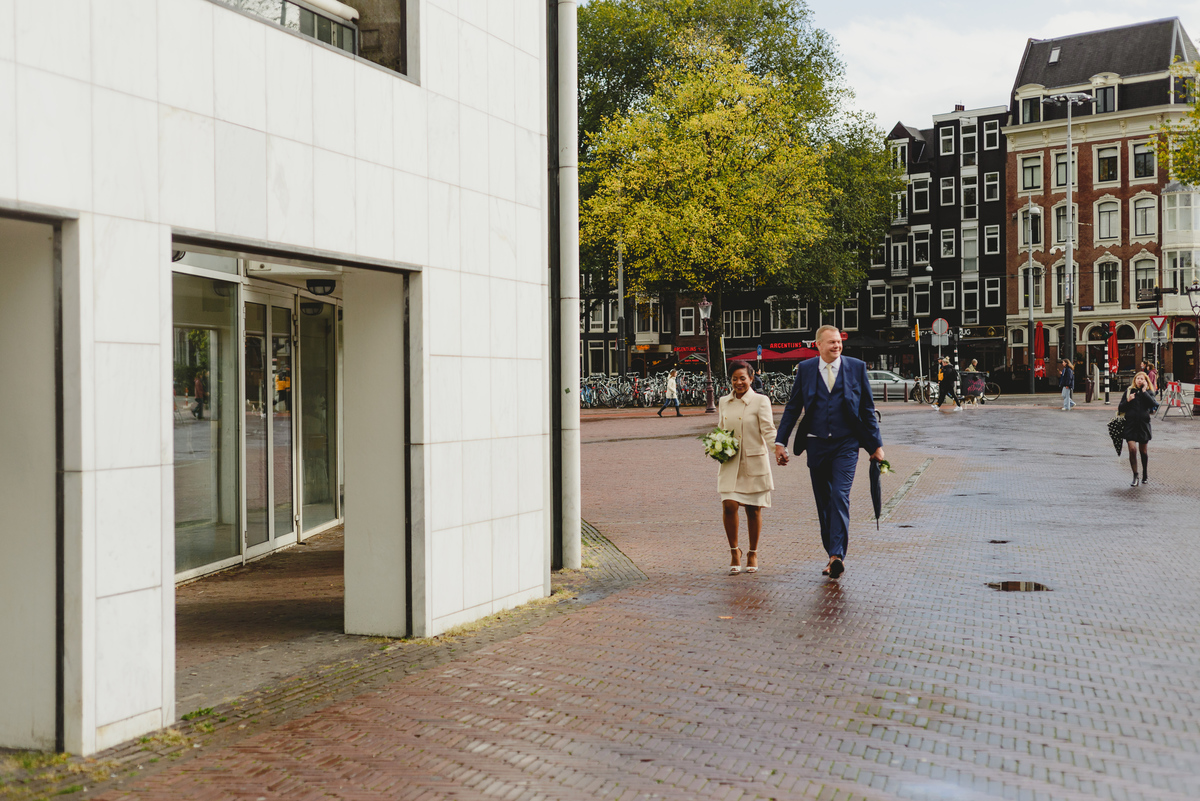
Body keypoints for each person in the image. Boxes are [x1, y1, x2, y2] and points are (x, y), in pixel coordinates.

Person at [774, 326, 884, 579]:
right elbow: (792, 408)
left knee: (839, 495)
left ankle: (837, 555)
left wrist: (876, 445)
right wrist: (781, 442)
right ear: (818, 345)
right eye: (831, 342)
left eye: (839, 342)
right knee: (824, 502)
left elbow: (867, 408)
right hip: (816, 444)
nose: (837, 346)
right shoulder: (806, 369)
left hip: (846, 444)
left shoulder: (856, 367)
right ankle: (831, 553)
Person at [718, 361, 776, 575]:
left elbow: (768, 430)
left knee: (753, 509)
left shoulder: (761, 401)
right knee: (729, 505)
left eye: (743, 378)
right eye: (734, 378)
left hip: (754, 461)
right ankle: (734, 551)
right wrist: (716, 445)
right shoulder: (724, 401)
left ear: (751, 378)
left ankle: (752, 552)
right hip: (731, 461)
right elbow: (721, 429)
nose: (739, 382)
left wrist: (777, 449)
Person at [1119, 371, 1159, 486]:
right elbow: (1120, 407)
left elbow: (1153, 404)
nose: (1139, 380)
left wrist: (1144, 391)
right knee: (1132, 450)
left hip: (1143, 425)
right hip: (1130, 425)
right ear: (1134, 380)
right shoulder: (1129, 391)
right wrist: (1128, 400)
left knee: (1143, 451)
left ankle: (1145, 474)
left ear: (1145, 381)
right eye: (1138, 378)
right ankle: (1135, 475)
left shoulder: (1149, 392)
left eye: (1142, 378)